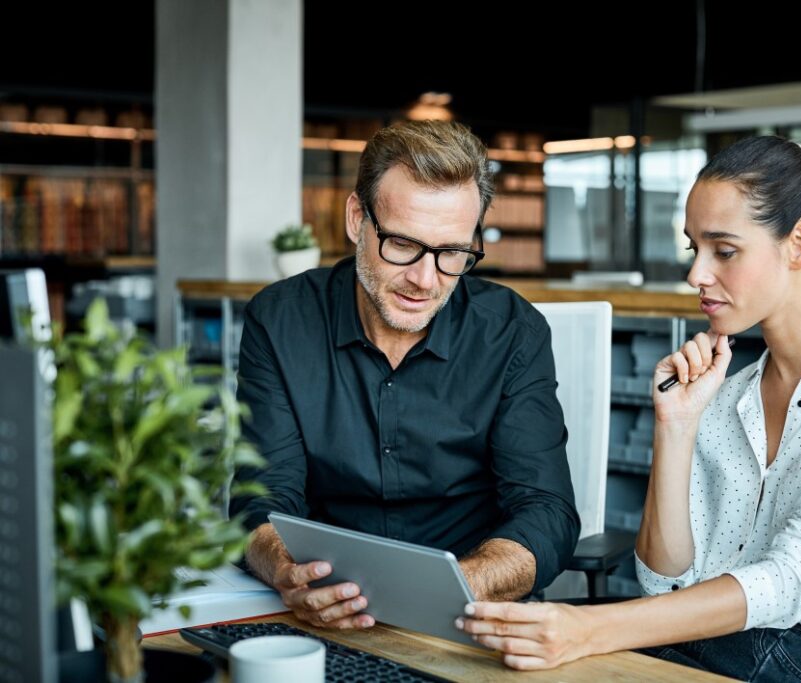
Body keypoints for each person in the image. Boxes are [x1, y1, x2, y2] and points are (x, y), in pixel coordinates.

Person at [457, 135, 801, 683]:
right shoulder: (728, 393)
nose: (696, 275)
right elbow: (662, 583)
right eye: (695, 249)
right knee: (491, 653)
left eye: (725, 251)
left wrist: (590, 629)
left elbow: (788, 582)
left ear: (800, 244)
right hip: (703, 644)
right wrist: (677, 427)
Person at [230, 120, 580, 631]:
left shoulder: (513, 333)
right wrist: (287, 571)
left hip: (469, 613)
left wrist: (455, 586)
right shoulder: (280, 321)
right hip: (322, 609)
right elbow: (261, 497)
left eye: (452, 253)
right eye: (401, 244)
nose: (424, 279)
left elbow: (546, 512)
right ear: (357, 219)